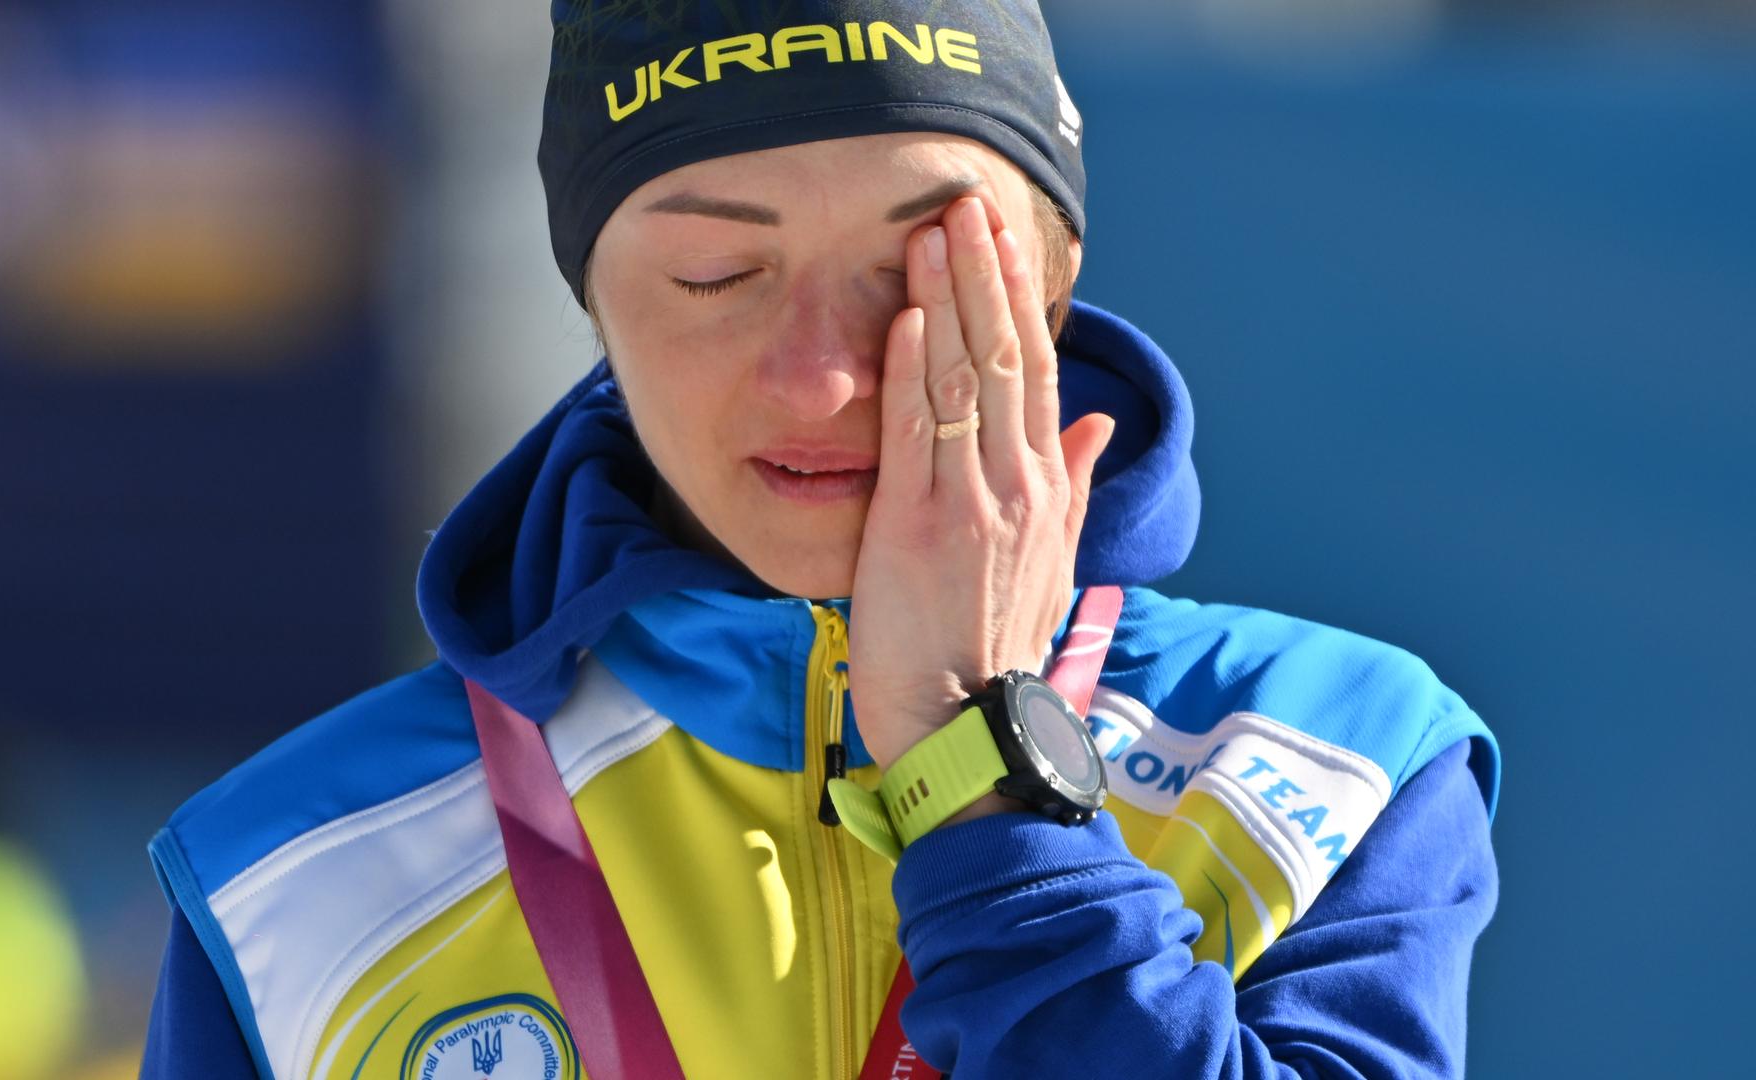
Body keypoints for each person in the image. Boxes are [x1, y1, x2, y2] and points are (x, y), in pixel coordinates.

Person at [140, 4, 1500, 1078]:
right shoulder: (296, 873)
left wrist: (979, 774)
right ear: (594, 303)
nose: (819, 378)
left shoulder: (1334, 762)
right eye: (715, 277)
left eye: (921, 271)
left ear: (1055, 281)